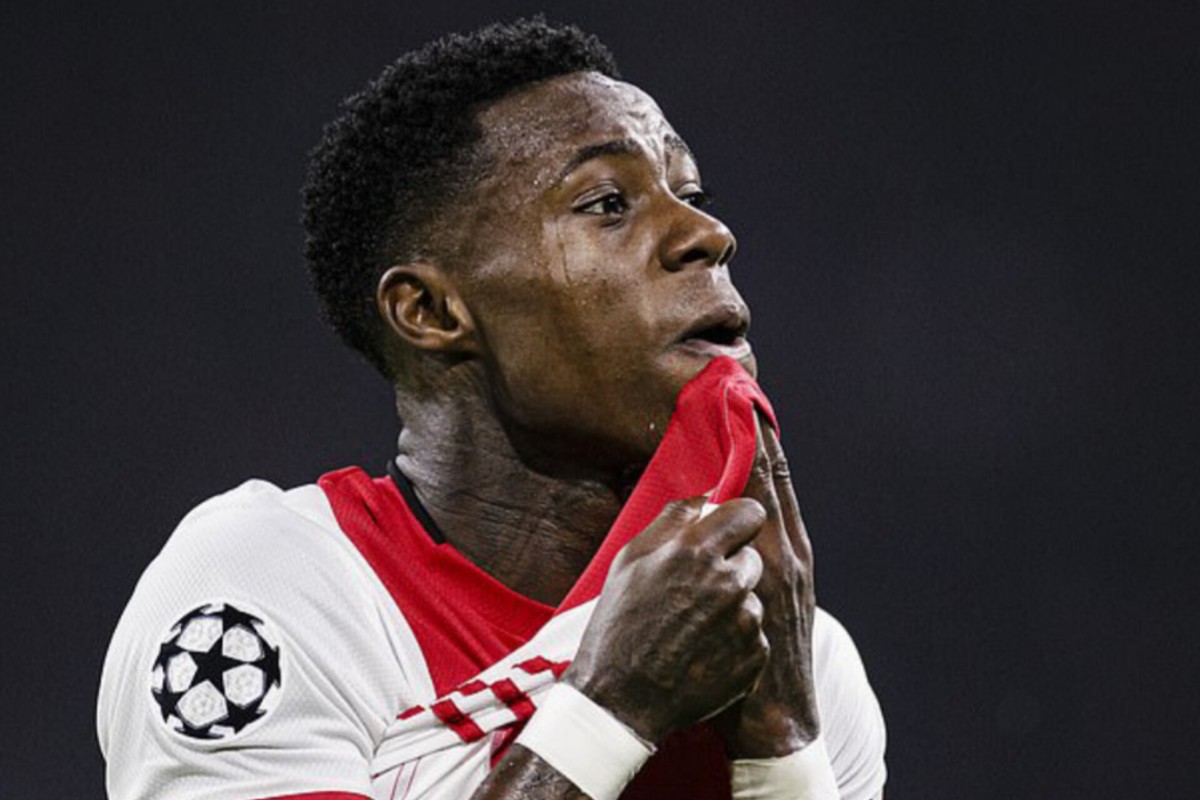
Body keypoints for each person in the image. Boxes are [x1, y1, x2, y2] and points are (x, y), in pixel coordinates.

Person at [97, 18, 886, 800]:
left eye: (691, 195)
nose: (707, 234)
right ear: (431, 311)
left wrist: (783, 743)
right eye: (607, 203)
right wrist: (610, 709)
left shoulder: (802, 663)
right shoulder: (267, 597)